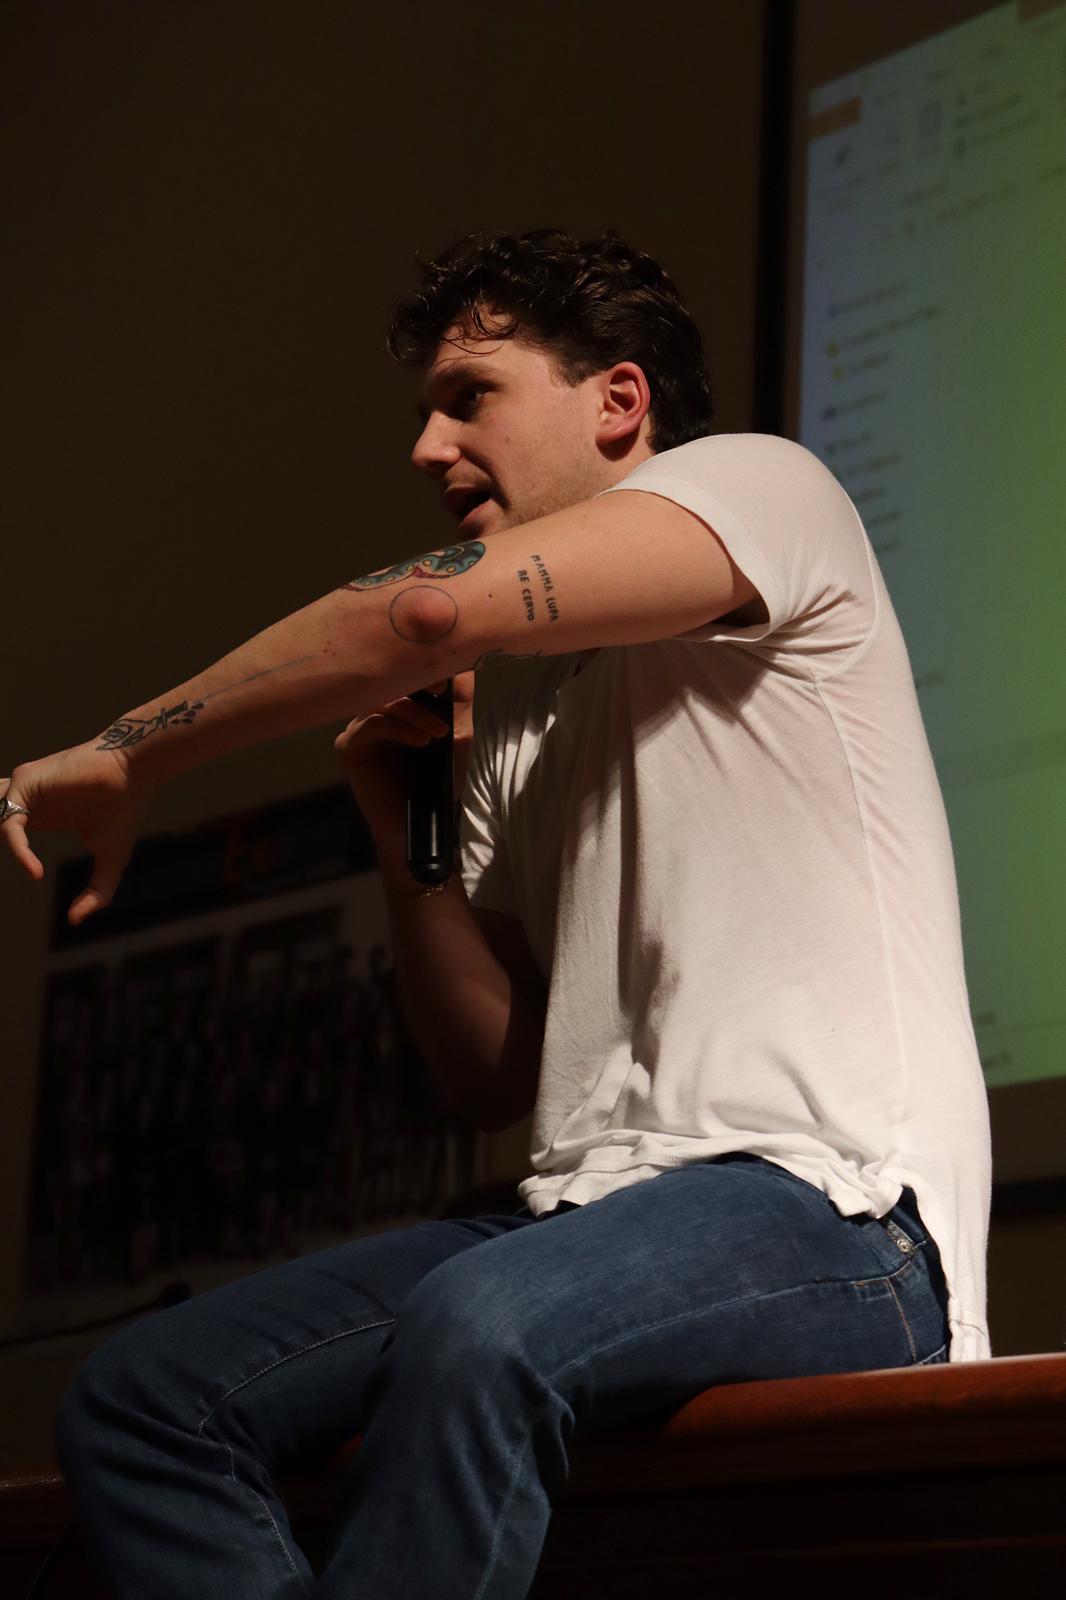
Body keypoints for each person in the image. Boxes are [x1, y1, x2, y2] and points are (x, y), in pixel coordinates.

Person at [4, 228, 990, 1599]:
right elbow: (492, 1071)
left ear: (618, 402)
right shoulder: (517, 696)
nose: (427, 447)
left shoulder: (763, 487)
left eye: (470, 396)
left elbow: (416, 616)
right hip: (577, 1221)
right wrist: (404, 844)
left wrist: (136, 753)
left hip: (840, 1212)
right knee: (146, 1400)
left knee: (480, 1325)